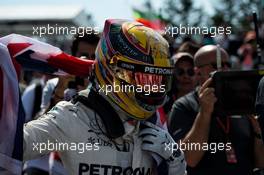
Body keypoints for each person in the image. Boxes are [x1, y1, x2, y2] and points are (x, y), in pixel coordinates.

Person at [23, 19, 186, 175]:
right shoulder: (73, 116)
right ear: (114, 72)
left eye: (158, 80)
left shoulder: (152, 120)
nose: (152, 88)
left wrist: (175, 160)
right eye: (144, 78)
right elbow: (15, 146)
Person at [168, 45, 264, 175]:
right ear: (198, 72)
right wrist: (204, 112)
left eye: (227, 64)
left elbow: (260, 163)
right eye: (216, 65)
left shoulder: (242, 103)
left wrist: (258, 131)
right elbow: (189, 159)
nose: (224, 69)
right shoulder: (184, 105)